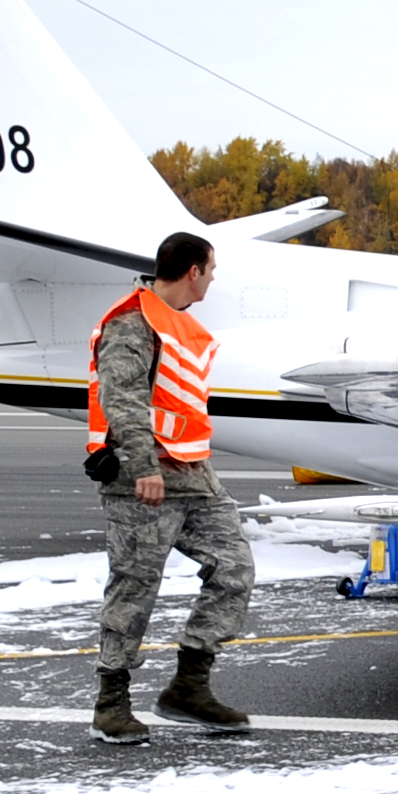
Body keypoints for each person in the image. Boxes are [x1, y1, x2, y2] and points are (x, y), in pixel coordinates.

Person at [85, 230, 255, 744]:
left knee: (235, 570)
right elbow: (123, 399)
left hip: (192, 475)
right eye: (211, 269)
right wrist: (143, 466)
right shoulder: (131, 323)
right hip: (144, 479)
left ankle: (189, 686)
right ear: (193, 271)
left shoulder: (178, 324)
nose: (212, 279)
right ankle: (110, 704)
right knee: (134, 589)